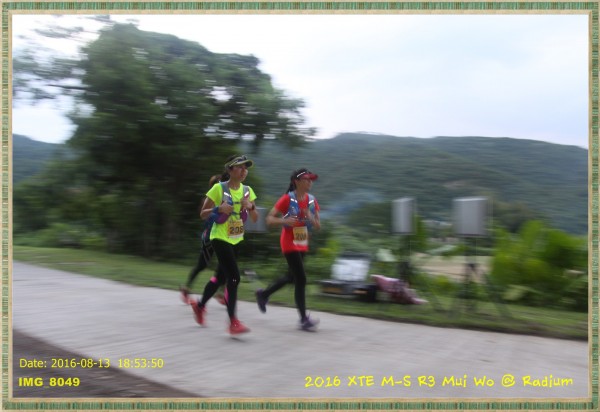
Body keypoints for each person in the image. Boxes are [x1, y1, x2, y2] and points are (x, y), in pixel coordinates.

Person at [191, 155, 258, 335]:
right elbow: (203, 214)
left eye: (246, 168)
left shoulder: (247, 191)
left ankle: (199, 306)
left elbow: (255, 218)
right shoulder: (218, 188)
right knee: (234, 277)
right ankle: (233, 322)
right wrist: (218, 209)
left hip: (236, 239)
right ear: (230, 169)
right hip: (219, 237)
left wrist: (250, 206)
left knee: (220, 278)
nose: (244, 171)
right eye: (240, 167)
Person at [255, 168, 321, 331]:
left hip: (302, 241)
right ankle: (303, 319)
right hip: (289, 242)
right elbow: (269, 219)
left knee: (292, 277)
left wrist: (309, 216)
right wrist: (284, 221)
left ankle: (264, 294)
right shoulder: (287, 199)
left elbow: (318, 226)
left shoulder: (312, 200)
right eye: (306, 179)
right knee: (301, 279)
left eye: (311, 179)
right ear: (296, 182)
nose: (310, 182)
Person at [179, 174, 226, 306]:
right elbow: (205, 217)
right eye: (220, 184)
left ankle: (221, 292)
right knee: (202, 265)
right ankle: (186, 289)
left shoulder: (224, 199)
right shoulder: (208, 200)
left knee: (225, 265)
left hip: (220, 236)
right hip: (210, 237)